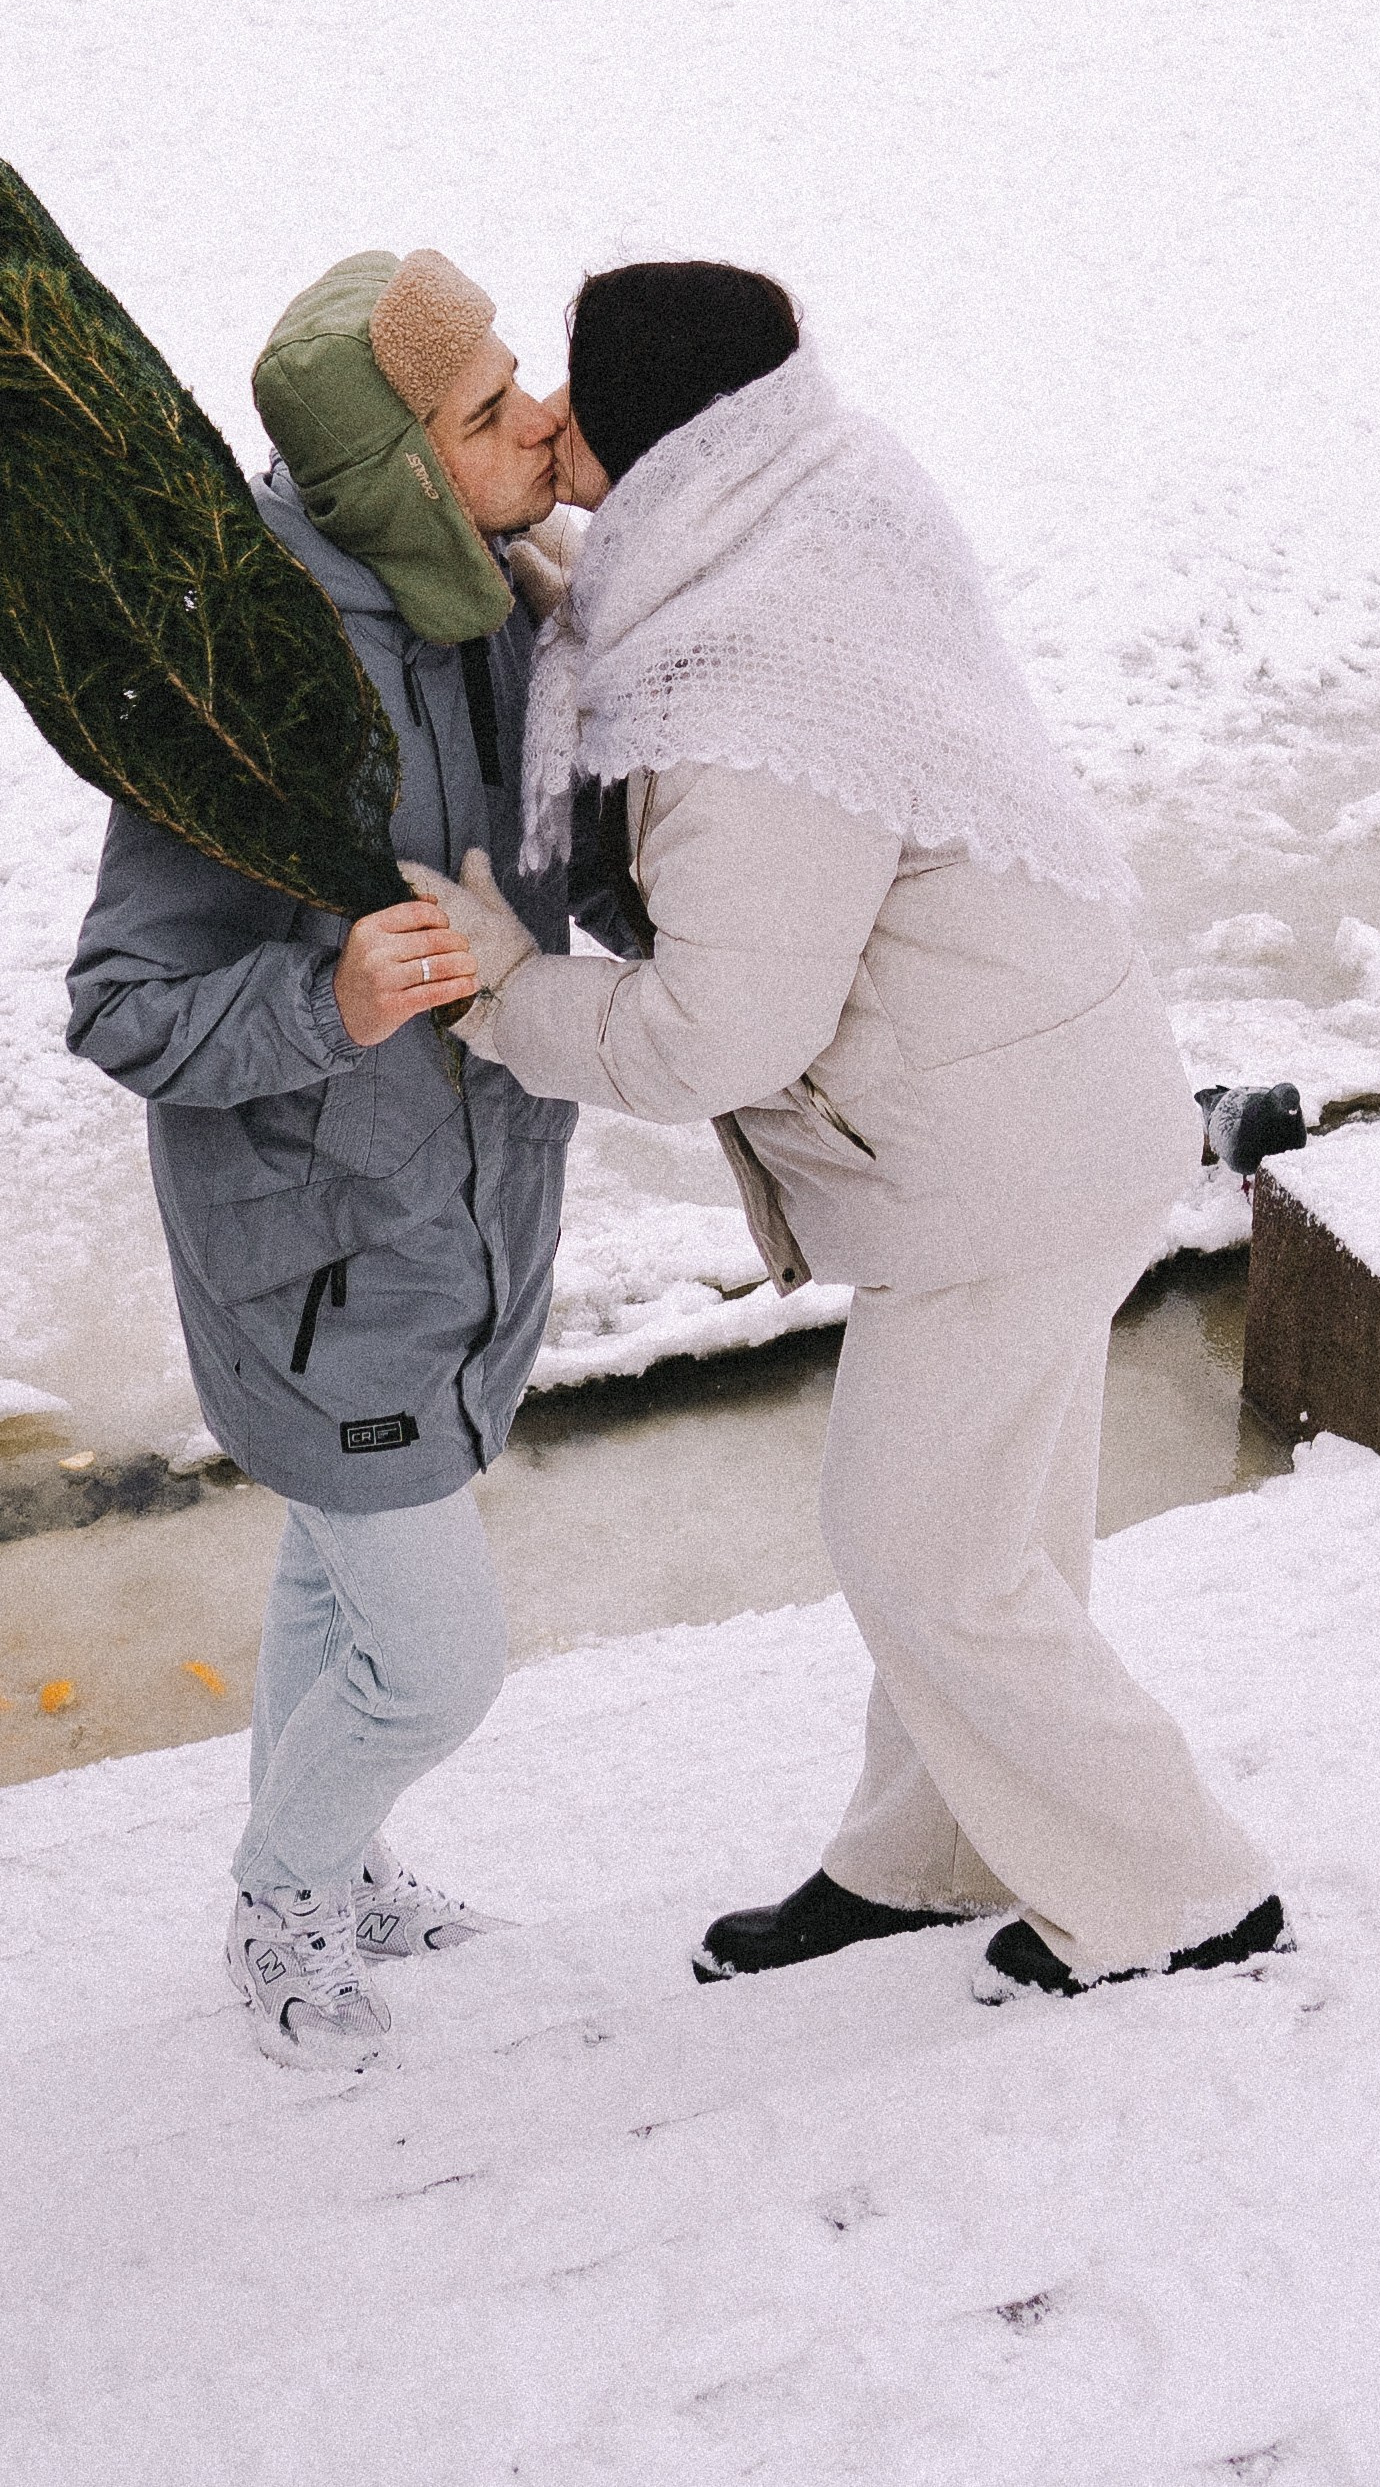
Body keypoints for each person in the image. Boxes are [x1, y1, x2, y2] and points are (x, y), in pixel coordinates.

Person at [413, 260, 1286, 2003]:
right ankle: (936, 1851)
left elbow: (713, 1030)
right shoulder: (816, 494)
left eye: (577, 401)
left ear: (669, 443)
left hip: (998, 1163)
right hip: (1041, 1097)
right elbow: (681, 615)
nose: (549, 423)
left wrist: (505, 991)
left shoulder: (752, 714)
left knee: (920, 1548)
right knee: (991, 1535)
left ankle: (1181, 1893)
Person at [67, 246, 595, 2071]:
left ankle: (342, 1865)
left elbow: (535, 873)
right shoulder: (252, 676)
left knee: (330, 1578)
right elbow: (124, 1004)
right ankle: (282, 1894)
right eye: (485, 411)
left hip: (454, 1218)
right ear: (389, 475)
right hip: (320, 1268)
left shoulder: (493, 609)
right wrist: (330, 992)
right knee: (437, 1663)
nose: (540, 422)